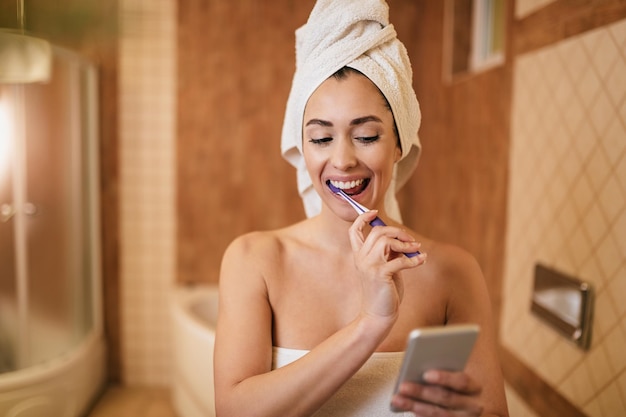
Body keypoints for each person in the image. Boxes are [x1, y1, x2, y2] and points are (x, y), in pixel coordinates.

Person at [213, 0, 509, 416]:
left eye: (367, 136)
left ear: (400, 143)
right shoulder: (254, 261)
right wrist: (371, 323)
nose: (343, 160)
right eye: (320, 139)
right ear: (302, 147)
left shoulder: (452, 273)